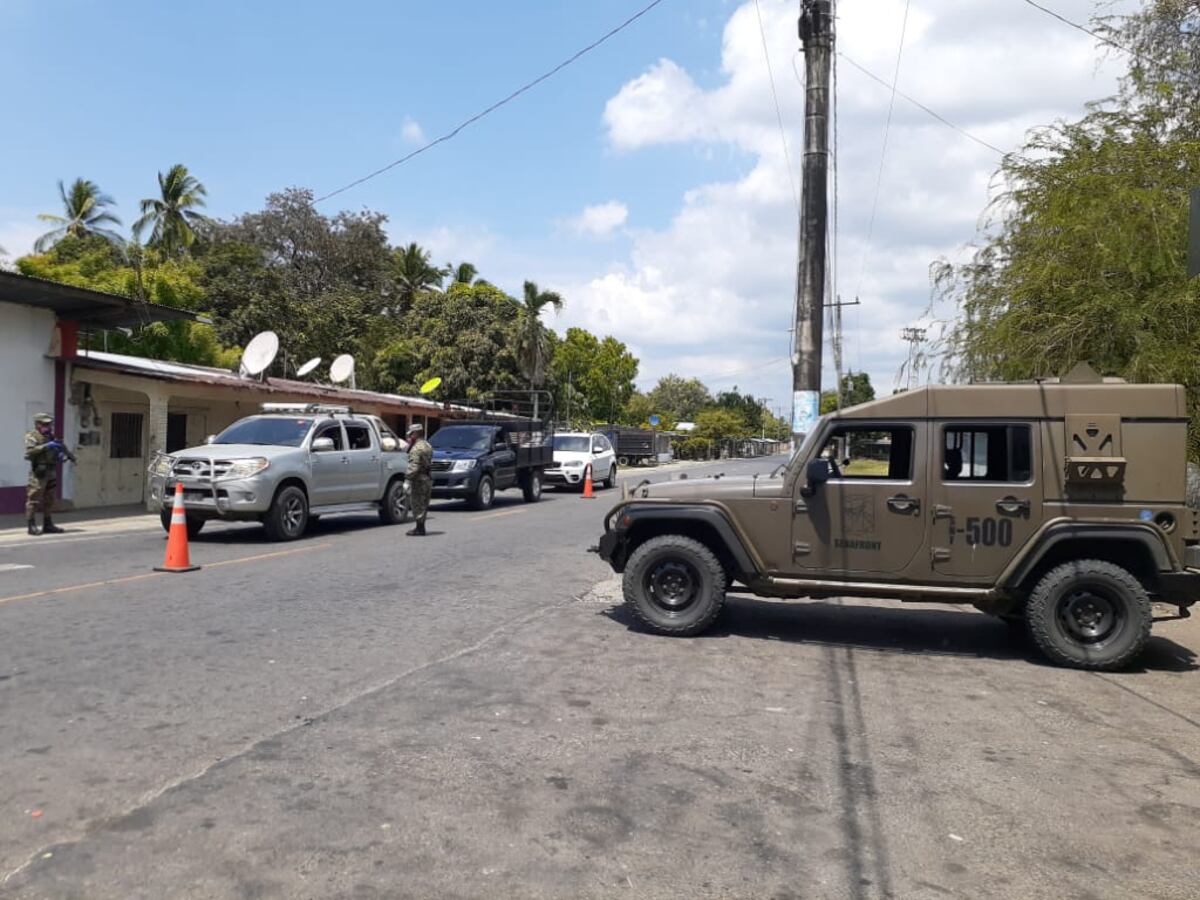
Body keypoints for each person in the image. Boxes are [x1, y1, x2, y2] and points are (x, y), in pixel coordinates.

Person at [25, 412, 69, 536]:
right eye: (45, 424)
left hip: (51, 470)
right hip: (39, 471)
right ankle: (31, 525)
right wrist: (46, 446)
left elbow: (55, 450)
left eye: (49, 424)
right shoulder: (31, 436)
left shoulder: (51, 436)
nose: (48, 426)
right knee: (33, 498)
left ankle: (48, 524)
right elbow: (30, 451)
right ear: (38, 424)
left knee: (49, 498)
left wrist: (60, 455)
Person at [405, 423, 433, 537]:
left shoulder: (417, 448)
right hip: (427, 478)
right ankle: (421, 527)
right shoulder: (427, 445)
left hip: (418, 479)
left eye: (411, 434)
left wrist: (407, 479)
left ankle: (419, 528)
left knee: (416, 503)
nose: (410, 437)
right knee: (424, 503)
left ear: (416, 434)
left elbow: (414, 466)